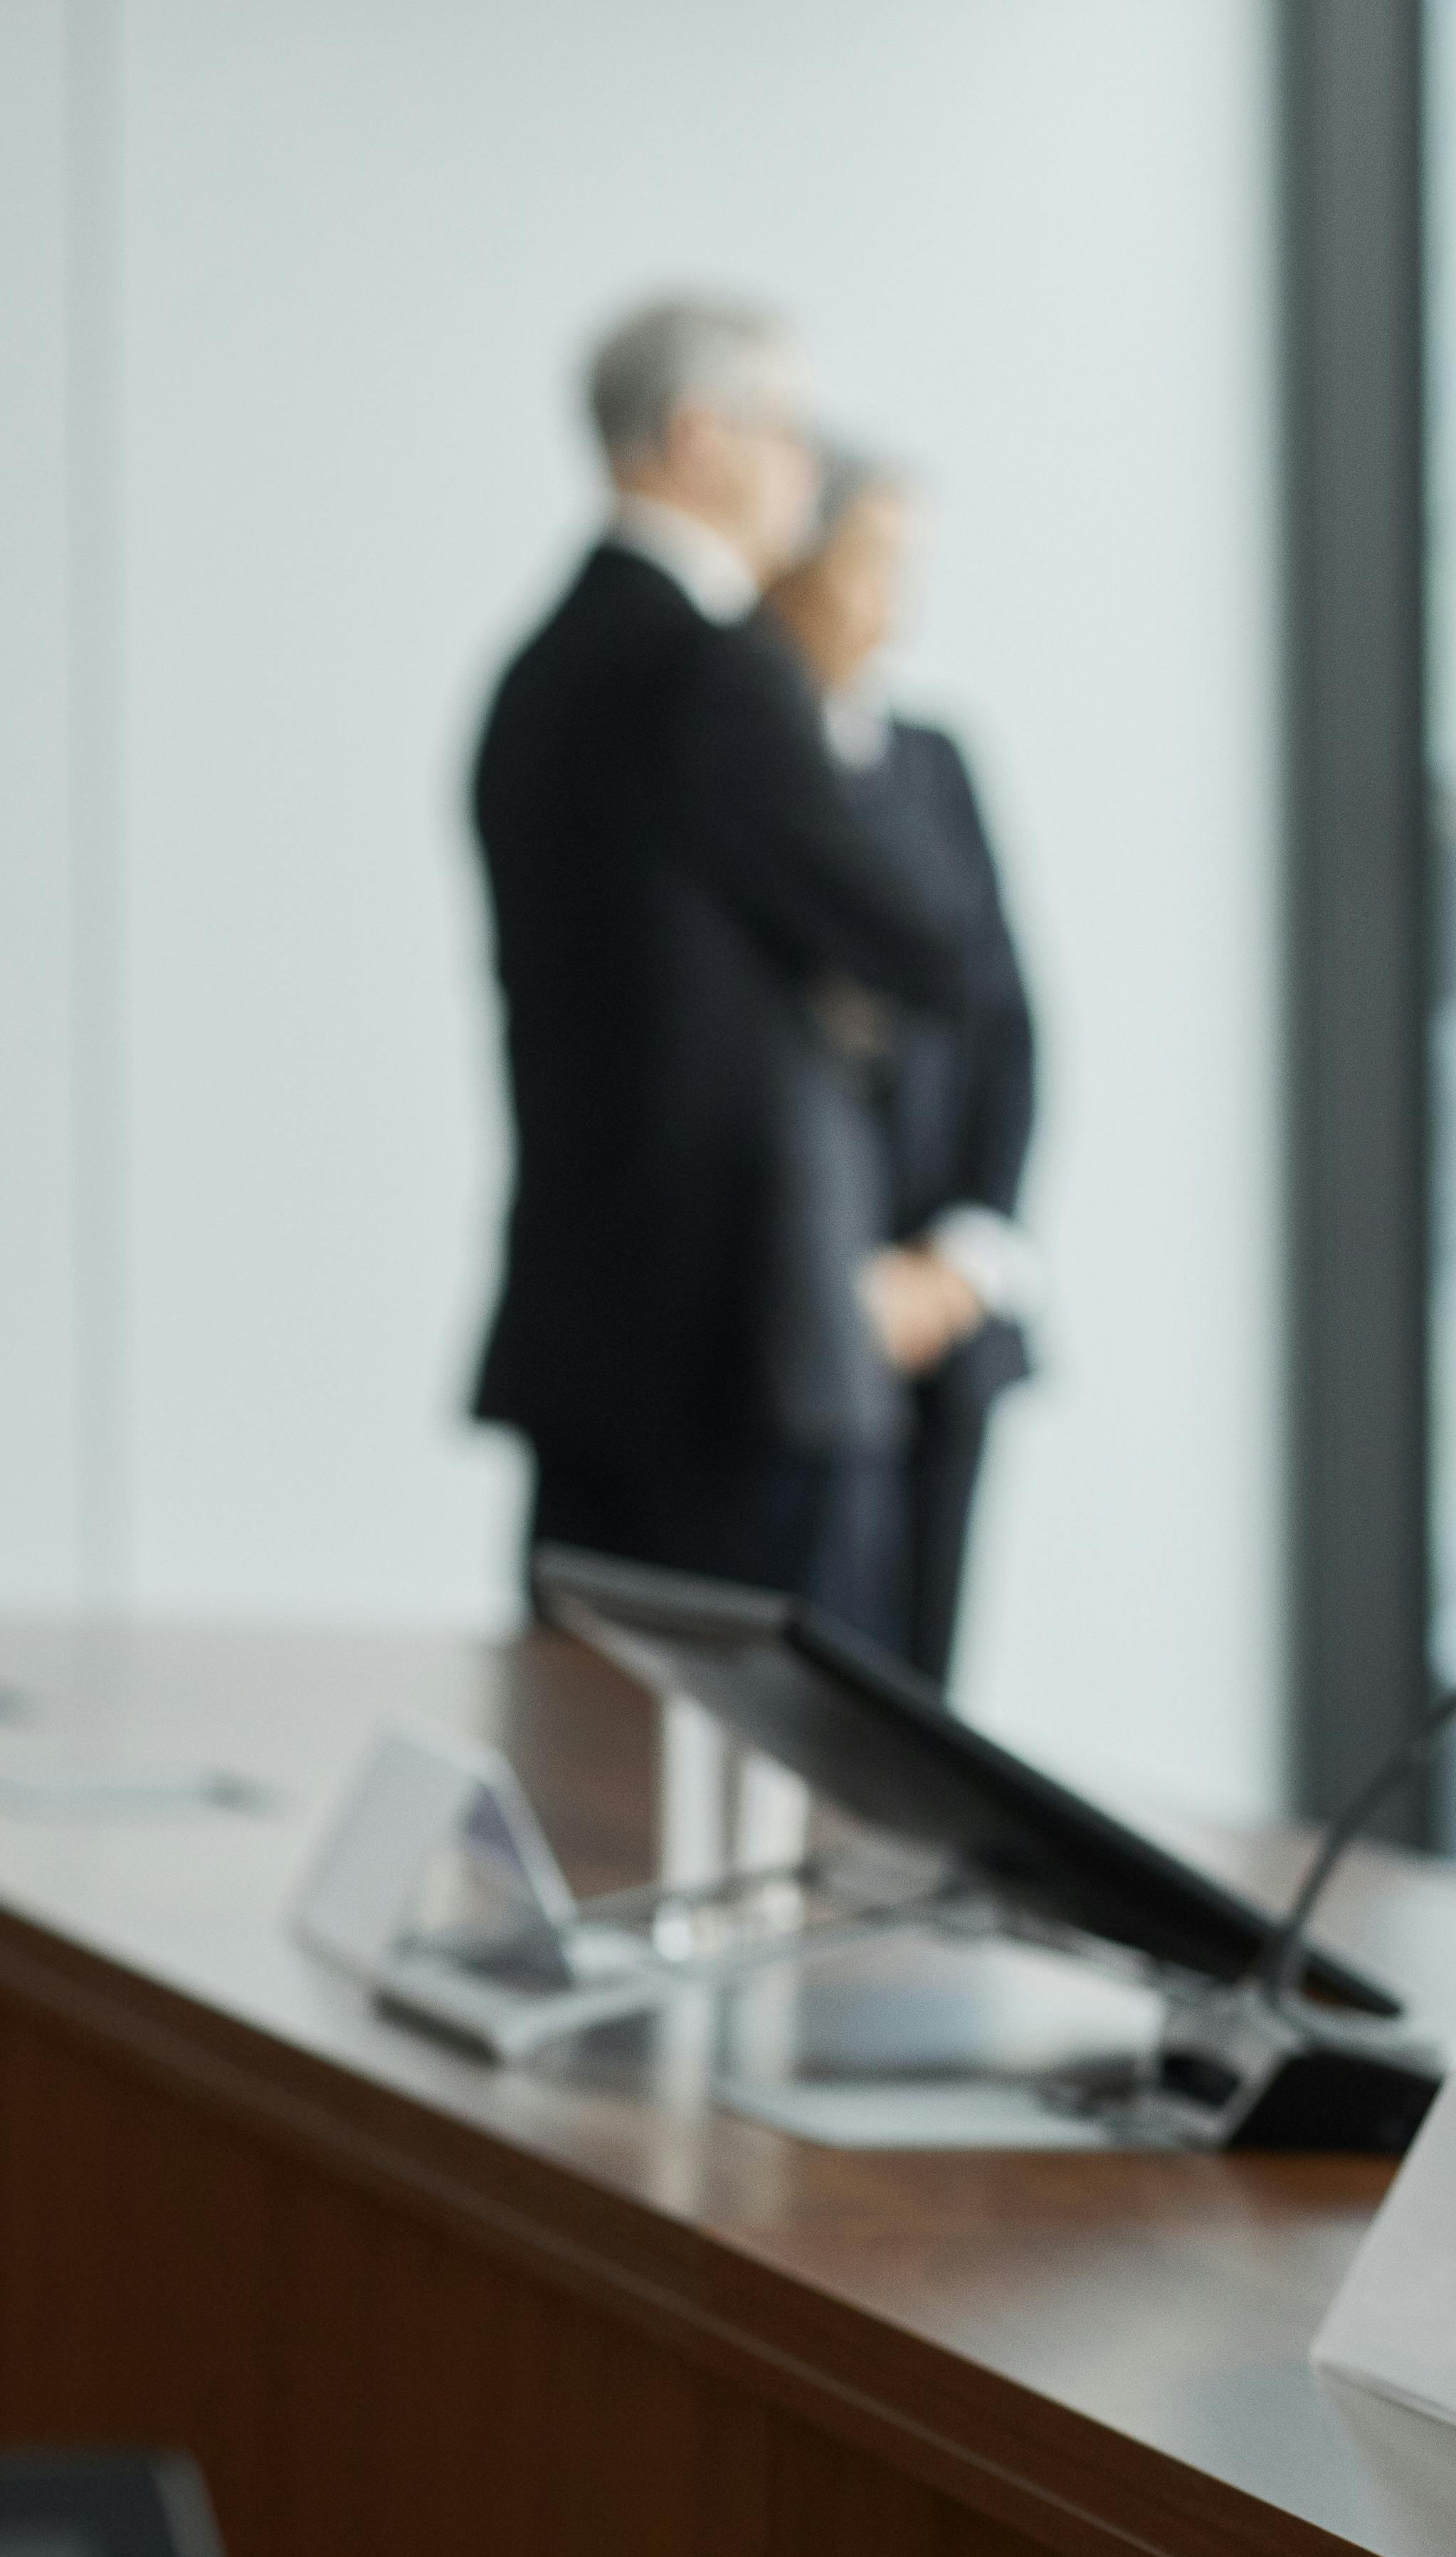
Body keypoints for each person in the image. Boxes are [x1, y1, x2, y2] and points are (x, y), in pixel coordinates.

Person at [467, 295, 964, 1618]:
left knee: (585, 1724)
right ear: (698, 438)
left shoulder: (535, 673)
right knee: (779, 1732)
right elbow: (923, 949)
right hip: (748, 1341)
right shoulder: (712, 671)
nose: (809, 469)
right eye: (791, 432)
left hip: (587, 1335)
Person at [759, 445, 1038, 1685]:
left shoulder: (933, 763)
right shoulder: (738, 761)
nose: (896, 606)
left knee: (926, 1705)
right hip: (796, 1316)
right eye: (871, 564)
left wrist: (963, 1258)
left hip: (940, 1314)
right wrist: (842, 1284)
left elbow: (1005, 1024)